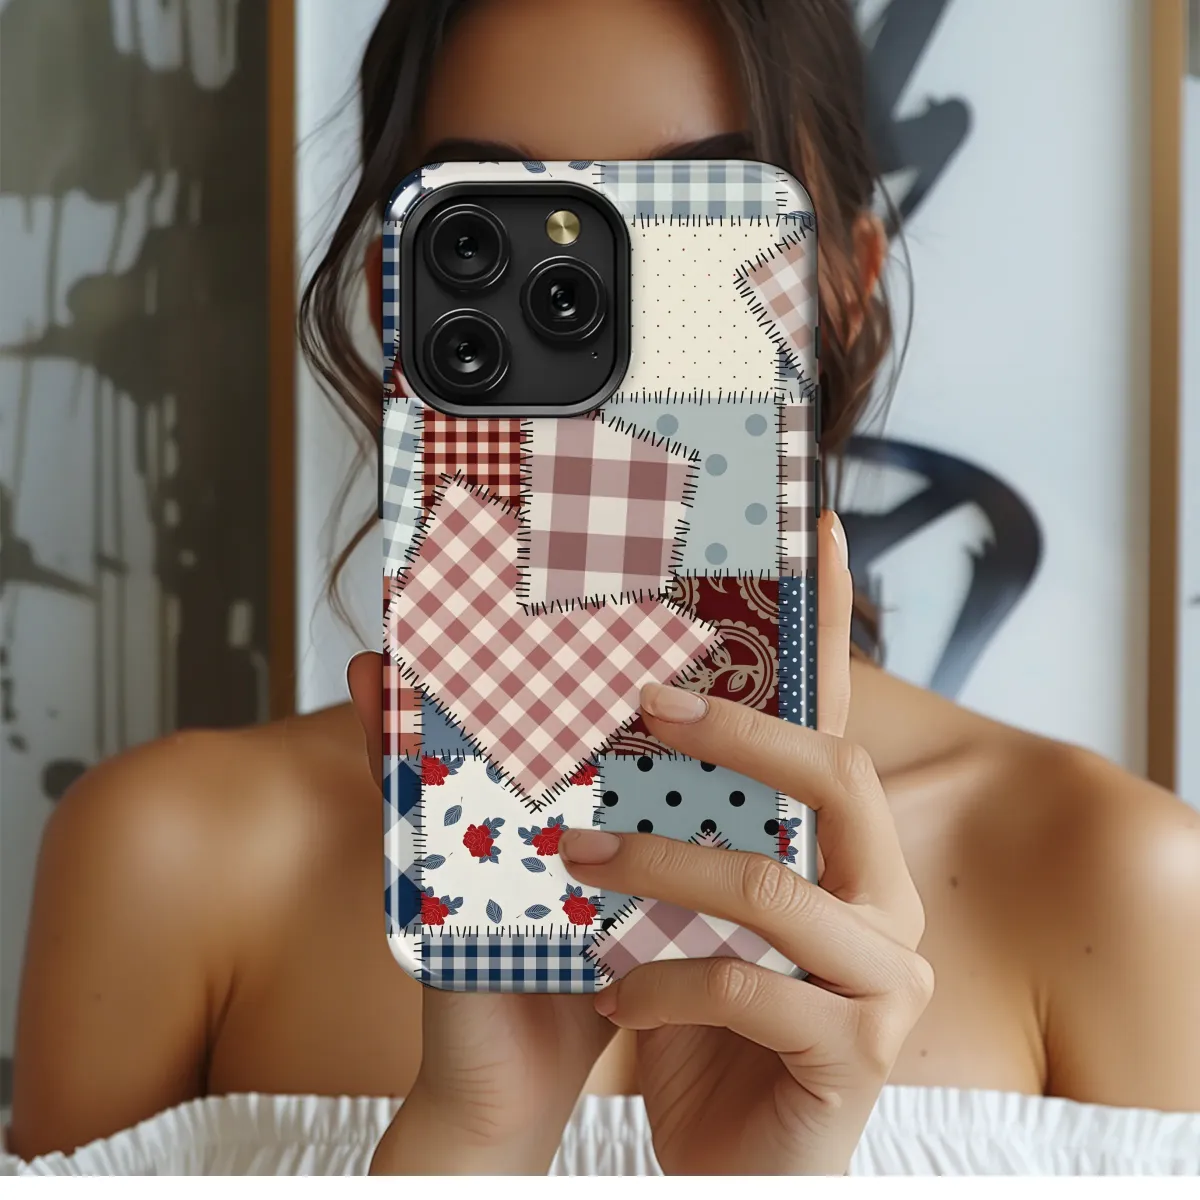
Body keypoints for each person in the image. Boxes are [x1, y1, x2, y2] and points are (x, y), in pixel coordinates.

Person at [6, 0, 1200, 1177]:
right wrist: (476, 1139)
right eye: (495, 226)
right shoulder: (171, 862)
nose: (598, 307)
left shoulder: (1115, 883)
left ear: (846, 285)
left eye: (696, 217)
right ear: (396, 294)